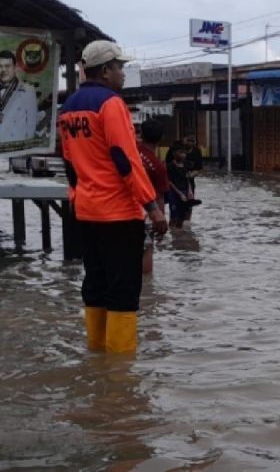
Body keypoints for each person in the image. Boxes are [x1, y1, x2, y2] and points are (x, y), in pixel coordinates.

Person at [58, 40, 167, 355]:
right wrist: (152, 208)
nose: (123, 73)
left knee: (95, 284)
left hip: (86, 211)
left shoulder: (68, 109)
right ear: (105, 71)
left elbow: (69, 163)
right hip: (118, 214)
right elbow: (125, 160)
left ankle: (96, 356)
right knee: (123, 291)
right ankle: (119, 376)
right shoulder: (111, 104)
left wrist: (77, 197)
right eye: (120, 67)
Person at [0, 50, 39, 144]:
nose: (3, 70)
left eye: (7, 66)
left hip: (15, 151)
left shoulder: (28, 91)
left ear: (15, 67)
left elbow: (31, 127)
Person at [137, 118, 170, 274]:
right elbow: (160, 197)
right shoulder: (158, 166)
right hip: (147, 212)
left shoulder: (130, 150)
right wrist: (161, 220)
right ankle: (147, 290)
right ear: (162, 137)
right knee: (147, 249)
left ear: (141, 134)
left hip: (120, 208)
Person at [166, 144, 193, 228]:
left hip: (185, 192)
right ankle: (172, 233)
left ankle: (179, 236)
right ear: (174, 153)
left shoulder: (186, 165)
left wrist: (190, 191)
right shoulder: (170, 166)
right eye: (181, 152)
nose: (183, 155)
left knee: (183, 215)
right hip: (174, 193)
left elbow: (187, 179)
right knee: (173, 216)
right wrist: (179, 193)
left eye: (184, 153)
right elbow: (169, 182)